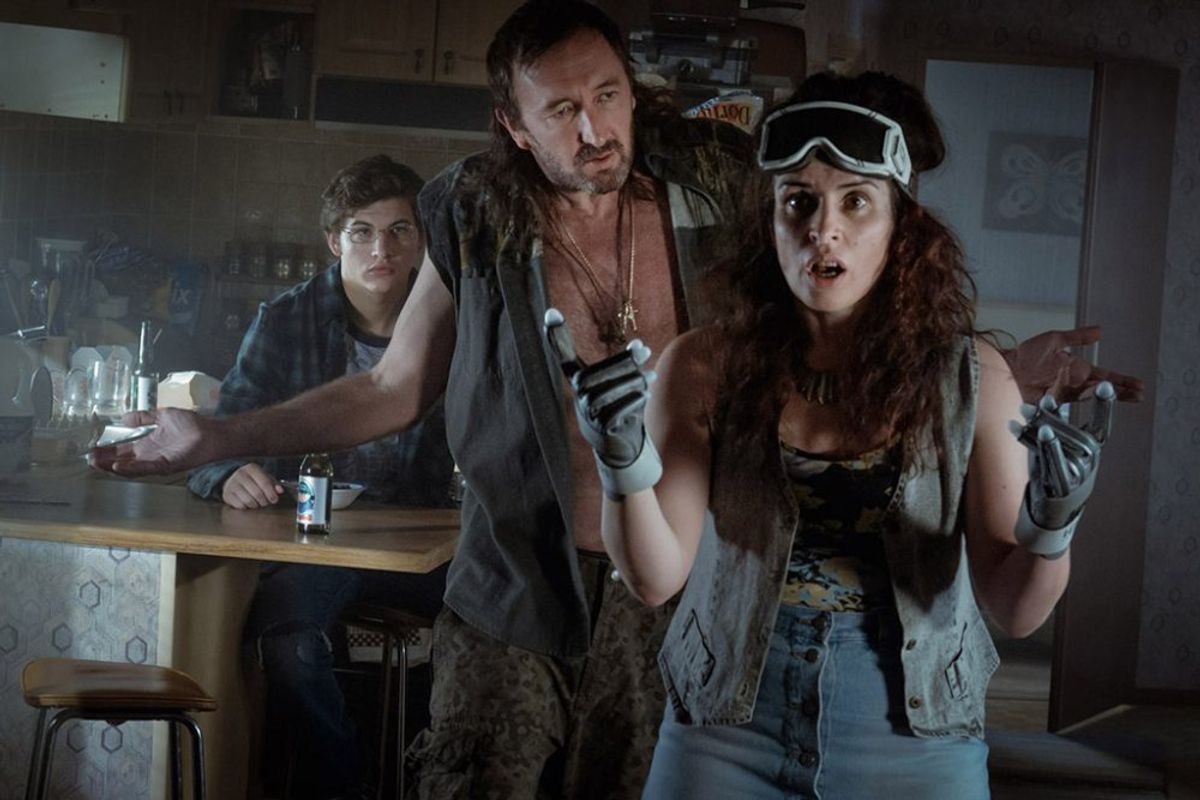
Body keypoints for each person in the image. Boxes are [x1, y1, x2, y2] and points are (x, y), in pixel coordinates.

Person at [91, 4, 1138, 797]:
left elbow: (855, 268)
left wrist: (989, 367)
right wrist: (216, 435)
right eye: (561, 109)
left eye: (606, 95)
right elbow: (392, 385)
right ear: (512, 124)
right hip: (514, 582)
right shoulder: (472, 214)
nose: (593, 127)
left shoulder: (718, 186)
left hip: (679, 598)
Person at [547, 70, 1115, 799]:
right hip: (726, 726)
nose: (824, 229)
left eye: (856, 201)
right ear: (770, 221)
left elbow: (1017, 610)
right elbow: (656, 578)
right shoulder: (705, 365)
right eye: (799, 202)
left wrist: (1053, 523)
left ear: (900, 226)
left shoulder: (969, 378)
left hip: (912, 733)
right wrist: (621, 463)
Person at [186, 154, 454, 800]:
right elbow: (220, 433)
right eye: (363, 232)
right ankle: (348, 784)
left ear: (422, 240)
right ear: (335, 241)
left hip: (422, 540)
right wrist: (227, 472)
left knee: (502, 630)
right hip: (316, 541)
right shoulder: (286, 319)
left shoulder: (453, 324)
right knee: (287, 644)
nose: (382, 249)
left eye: (399, 230)